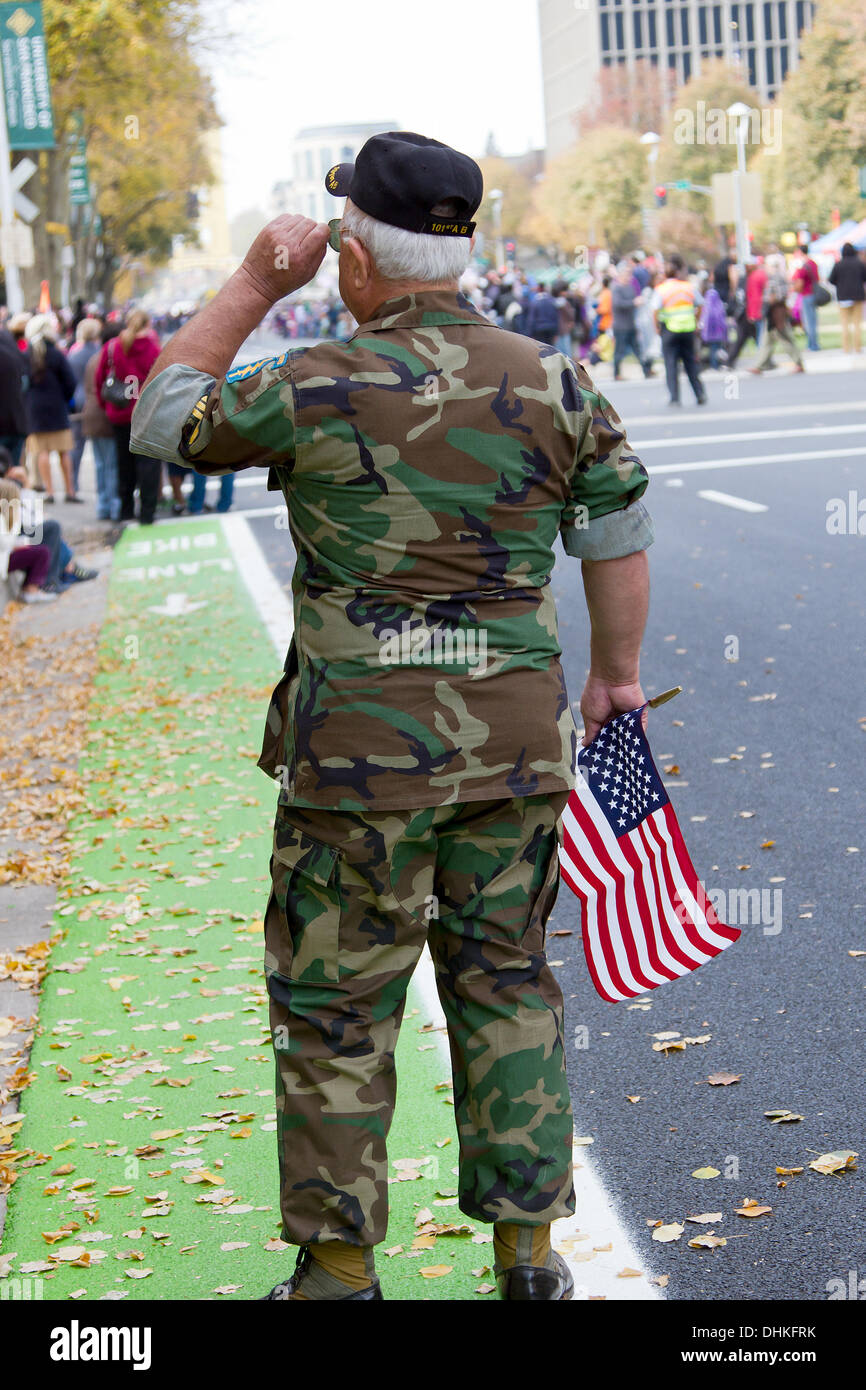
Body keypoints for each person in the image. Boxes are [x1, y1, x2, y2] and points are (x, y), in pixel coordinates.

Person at [132, 130, 654, 1303]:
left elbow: (162, 416)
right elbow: (615, 525)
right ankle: (525, 1258)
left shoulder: (312, 382)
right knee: (506, 980)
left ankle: (337, 1270)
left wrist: (257, 283)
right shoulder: (552, 376)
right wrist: (615, 675)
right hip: (516, 748)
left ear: (353, 263)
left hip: (355, 763)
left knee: (334, 1004)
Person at [95, 309, 162, 524]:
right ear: (148, 324)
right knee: (149, 464)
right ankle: (147, 512)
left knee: (124, 463)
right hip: (147, 412)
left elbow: (99, 379)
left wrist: (105, 405)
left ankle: (126, 510)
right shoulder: (153, 348)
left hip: (120, 412)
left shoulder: (112, 346)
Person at [23, 314, 79, 502]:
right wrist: (64, 398)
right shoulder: (56, 354)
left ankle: (50, 492)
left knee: (42, 452)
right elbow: (70, 382)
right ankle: (70, 491)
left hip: (34, 409)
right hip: (56, 407)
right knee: (64, 451)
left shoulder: (27, 355)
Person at [651, 254, 707, 405]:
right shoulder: (688, 287)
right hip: (688, 330)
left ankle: (674, 397)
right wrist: (696, 321)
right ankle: (699, 394)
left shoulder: (661, 289)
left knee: (671, 364)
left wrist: (656, 327)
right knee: (691, 363)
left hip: (669, 330)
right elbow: (701, 304)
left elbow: (655, 310)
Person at [83, 325, 120, 521]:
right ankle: (114, 506)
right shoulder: (110, 359)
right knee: (111, 464)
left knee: (100, 464)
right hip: (105, 415)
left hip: (90, 415)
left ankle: (103, 505)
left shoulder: (92, 359)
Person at [0, 474, 57, 603]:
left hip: (8, 554)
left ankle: (50, 581)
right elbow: (5, 544)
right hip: (4, 559)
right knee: (42, 552)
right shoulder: (3, 520)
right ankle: (32, 590)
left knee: (44, 543)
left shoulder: (8, 518)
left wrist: (27, 486)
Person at [748, 253, 804, 375]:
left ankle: (798, 362)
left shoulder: (776, 277)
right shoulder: (775, 276)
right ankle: (761, 365)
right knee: (767, 340)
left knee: (784, 338)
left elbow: (779, 295)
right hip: (773, 313)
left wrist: (770, 300)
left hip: (776, 312)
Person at [67, 316, 104, 495]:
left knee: (76, 446)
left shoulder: (74, 355)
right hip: (96, 401)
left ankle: (73, 484)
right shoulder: (101, 353)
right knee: (101, 452)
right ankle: (102, 488)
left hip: (77, 401)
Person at [611, 260, 653, 380]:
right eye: (627, 274)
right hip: (620, 326)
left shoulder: (630, 287)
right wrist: (633, 302)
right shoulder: (616, 288)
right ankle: (616, 373)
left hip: (631, 324)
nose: (629, 277)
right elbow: (618, 304)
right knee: (619, 351)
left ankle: (646, 370)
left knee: (638, 349)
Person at [828, 242, 866, 354]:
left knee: (845, 324)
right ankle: (857, 348)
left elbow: (831, 280)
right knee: (857, 324)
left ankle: (846, 348)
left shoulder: (838, 264)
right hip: (858, 296)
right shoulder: (859, 264)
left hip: (843, 297)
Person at [0, 323, 29, 467]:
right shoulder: (11, 347)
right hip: (17, 422)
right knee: (14, 472)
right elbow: (24, 383)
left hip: (6, 424)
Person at [790, 249, 820, 352]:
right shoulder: (813, 264)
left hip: (806, 295)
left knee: (808, 322)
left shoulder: (805, 266)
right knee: (813, 321)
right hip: (813, 294)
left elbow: (799, 281)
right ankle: (813, 344)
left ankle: (812, 345)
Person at [699, 278, 728, 368]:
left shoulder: (708, 298)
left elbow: (706, 315)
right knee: (717, 348)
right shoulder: (715, 297)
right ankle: (717, 364)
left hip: (710, 329)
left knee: (713, 348)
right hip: (718, 329)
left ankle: (714, 365)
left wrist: (701, 325)